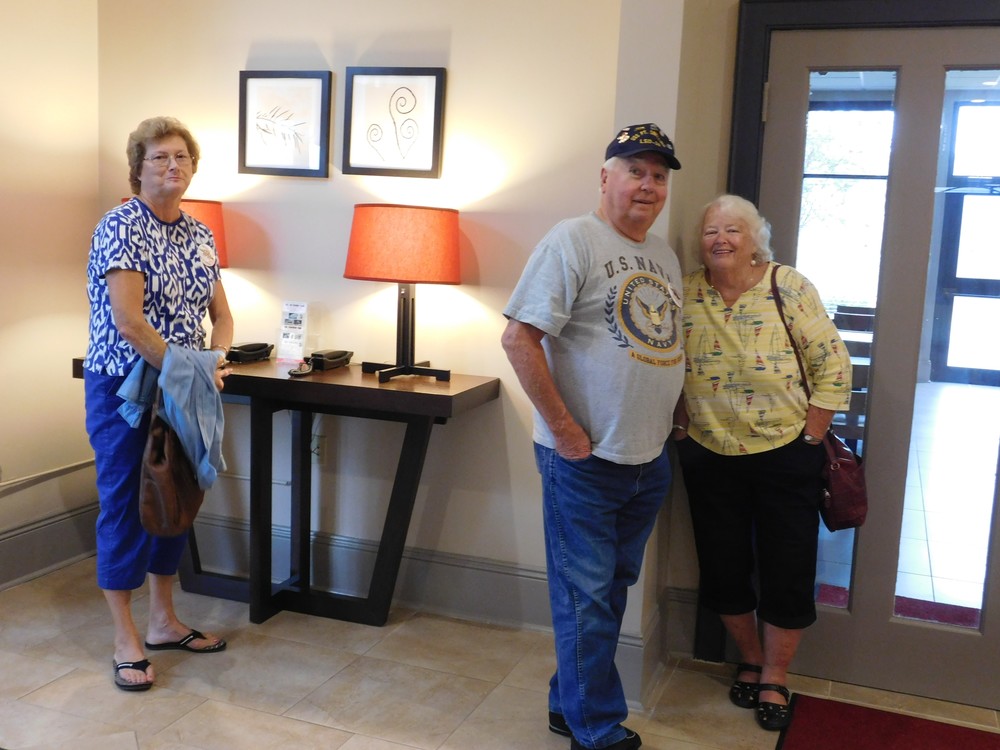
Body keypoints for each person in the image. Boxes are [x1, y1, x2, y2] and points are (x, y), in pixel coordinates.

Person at [501, 123, 685, 750]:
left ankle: (568, 702)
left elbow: (665, 342)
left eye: (658, 175)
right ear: (606, 177)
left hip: (647, 457)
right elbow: (519, 339)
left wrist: (676, 413)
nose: (648, 185)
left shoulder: (663, 254)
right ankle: (596, 728)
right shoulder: (572, 240)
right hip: (586, 460)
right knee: (586, 599)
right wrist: (564, 430)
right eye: (635, 171)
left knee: (607, 592)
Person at [672, 194, 852, 731]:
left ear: (755, 240)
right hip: (708, 452)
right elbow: (663, 362)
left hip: (785, 452)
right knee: (723, 565)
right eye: (711, 230)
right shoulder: (686, 290)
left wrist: (811, 436)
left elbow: (833, 364)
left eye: (733, 230)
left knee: (787, 566)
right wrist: (681, 428)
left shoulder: (787, 285)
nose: (721, 239)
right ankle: (750, 659)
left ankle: (775, 673)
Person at [83, 116, 234, 692]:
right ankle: (125, 637)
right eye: (160, 157)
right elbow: (129, 321)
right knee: (126, 503)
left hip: (184, 386)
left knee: (174, 496)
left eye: (182, 157)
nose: (173, 166)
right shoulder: (121, 225)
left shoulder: (199, 232)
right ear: (138, 169)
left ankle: (164, 621)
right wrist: (185, 372)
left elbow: (221, 315)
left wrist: (214, 361)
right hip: (124, 387)